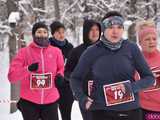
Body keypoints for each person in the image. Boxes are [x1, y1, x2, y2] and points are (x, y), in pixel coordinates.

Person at [70, 11, 155, 120]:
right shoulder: (91, 51)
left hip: (130, 111)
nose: (115, 31)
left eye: (119, 27)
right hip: (102, 111)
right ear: (104, 29)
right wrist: (82, 98)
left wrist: (131, 88)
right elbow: (75, 78)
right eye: (111, 27)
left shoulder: (131, 48)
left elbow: (149, 78)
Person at [8, 22, 64, 120]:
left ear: (48, 34)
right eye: (39, 32)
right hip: (29, 102)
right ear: (34, 34)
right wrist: (28, 69)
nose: (42, 35)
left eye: (44, 32)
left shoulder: (56, 52)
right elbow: (12, 76)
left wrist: (60, 75)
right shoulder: (24, 52)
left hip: (50, 100)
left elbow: (61, 68)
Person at [65, 19, 101, 120]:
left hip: (104, 95)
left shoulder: (107, 49)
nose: (95, 32)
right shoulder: (76, 51)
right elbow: (67, 72)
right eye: (91, 30)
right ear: (86, 32)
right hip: (85, 96)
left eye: (97, 29)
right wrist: (79, 79)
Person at [49, 21, 74, 120]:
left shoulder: (70, 47)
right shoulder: (47, 46)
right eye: (58, 32)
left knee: (66, 115)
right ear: (53, 33)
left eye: (63, 32)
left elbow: (74, 66)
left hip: (66, 86)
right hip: (51, 86)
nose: (61, 34)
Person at [136, 20, 160, 120]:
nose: (152, 42)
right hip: (142, 109)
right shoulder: (134, 61)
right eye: (147, 39)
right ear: (140, 42)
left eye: (154, 39)